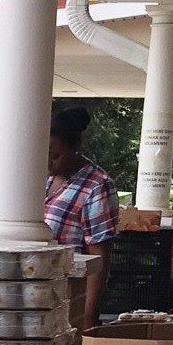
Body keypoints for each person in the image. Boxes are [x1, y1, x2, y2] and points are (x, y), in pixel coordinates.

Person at [45, 105, 119, 326]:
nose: (49, 162)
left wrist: (87, 315)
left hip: (69, 294)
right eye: (44, 154)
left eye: (55, 155)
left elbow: (100, 255)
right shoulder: (43, 177)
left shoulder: (97, 185)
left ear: (76, 147)